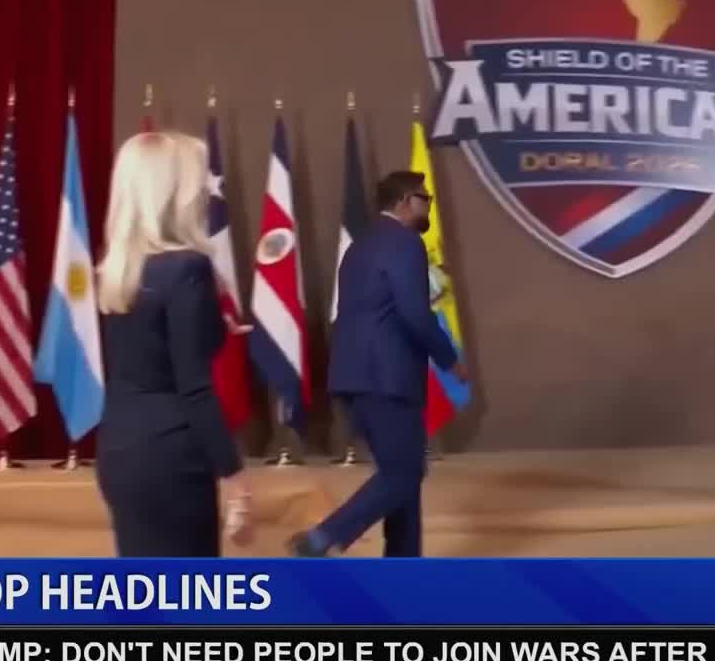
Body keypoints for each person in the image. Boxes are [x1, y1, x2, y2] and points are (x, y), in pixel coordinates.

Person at [290, 171, 468, 557]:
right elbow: (414, 314)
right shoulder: (405, 243)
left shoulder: (360, 246)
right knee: (404, 473)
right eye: (425, 199)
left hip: (353, 376)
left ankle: (402, 566)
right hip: (388, 377)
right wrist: (449, 359)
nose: (428, 207)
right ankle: (323, 537)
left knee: (398, 474)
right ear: (405, 200)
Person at [95, 131, 253, 556]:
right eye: (197, 180)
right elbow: (195, 388)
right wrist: (235, 479)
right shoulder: (187, 267)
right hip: (172, 459)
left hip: (120, 449)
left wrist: (214, 326)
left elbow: (148, 354)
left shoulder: (118, 271)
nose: (204, 190)